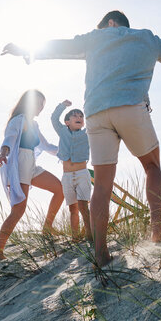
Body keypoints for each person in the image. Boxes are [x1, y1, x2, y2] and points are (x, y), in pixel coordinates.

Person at [1, 11, 161, 267]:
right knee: (152, 166)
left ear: (111, 23)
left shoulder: (95, 38)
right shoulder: (147, 38)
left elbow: (63, 47)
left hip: (97, 114)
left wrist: (27, 50)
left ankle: (101, 252)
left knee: (102, 185)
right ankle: (156, 231)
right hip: (132, 108)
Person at [0, 89, 64, 261]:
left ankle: (47, 228)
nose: (41, 108)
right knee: (18, 210)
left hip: (32, 164)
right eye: (39, 104)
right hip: (21, 164)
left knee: (59, 189)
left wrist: (68, 150)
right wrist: (3, 154)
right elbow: (8, 140)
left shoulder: (34, 124)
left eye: (42, 105)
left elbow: (47, 146)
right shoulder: (19, 120)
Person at [51, 100, 92, 241]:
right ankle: (75, 238)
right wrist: (62, 105)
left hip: (82, 174)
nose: (79, 118)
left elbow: (96, 121)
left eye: (81, 116)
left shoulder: (87, 133)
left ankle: (90, 234)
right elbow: (53, 118)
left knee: (83, 206)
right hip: (67, 176)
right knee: (72, 209)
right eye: (75, 116)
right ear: (67, 122)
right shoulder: (62, 131)